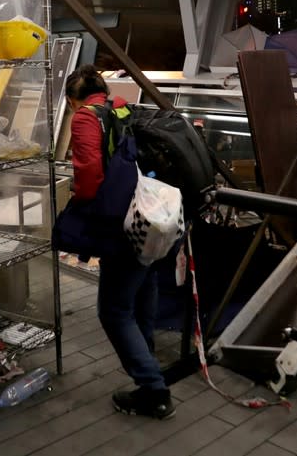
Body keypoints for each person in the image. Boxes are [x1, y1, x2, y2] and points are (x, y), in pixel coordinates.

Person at [65, 64, 176, 420]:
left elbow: (88, 177)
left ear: (72, 98)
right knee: (143, 291)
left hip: (120, 224)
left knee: (113, 310)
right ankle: (148, 360)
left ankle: (153, 390)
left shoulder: (84, 118)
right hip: (150, 215)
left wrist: (80, 203)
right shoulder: (123, 106)